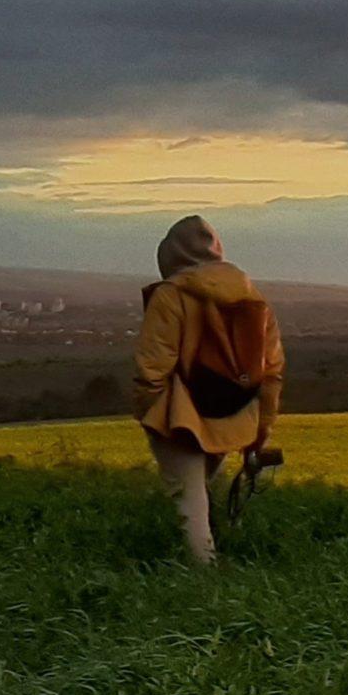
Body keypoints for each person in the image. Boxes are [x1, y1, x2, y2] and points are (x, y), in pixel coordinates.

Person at [130, 216, 285, 563]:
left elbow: (151, 367)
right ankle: (217, 558)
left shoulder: (170, 295)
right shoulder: (252, 295)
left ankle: (204, 586)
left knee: (189, 503)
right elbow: (272, 369)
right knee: (201, 494)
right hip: (234, 411)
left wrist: (150, 411)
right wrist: (263, 425)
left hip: (180, 415)